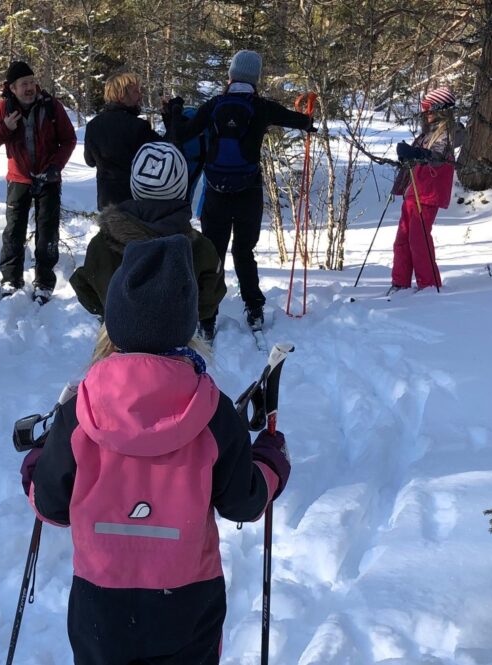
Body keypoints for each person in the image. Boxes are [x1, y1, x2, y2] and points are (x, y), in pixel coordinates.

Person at [20, 234, 292, 665]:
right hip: (186, 603)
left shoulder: (81, 411)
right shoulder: (210, 411)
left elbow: (50, 506)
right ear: (184, 324)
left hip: (100, 605)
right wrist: (272, 459)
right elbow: (246, 501)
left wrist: (35, 462)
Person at [165, 50, 315, 334]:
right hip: (249, 190)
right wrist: (308, 122)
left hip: (216, 192)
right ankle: (254, 309)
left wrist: (174, 111)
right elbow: (295, 120)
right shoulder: (260, 106)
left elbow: (181, 133)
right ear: (255, 78)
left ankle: (206, 318)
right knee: (244, 250)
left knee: (214, 252)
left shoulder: (215, 105)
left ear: (231, 75)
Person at [69, 142, 226, 340]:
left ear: (134, 185)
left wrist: (112, 314)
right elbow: (210, 299)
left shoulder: (102, 243)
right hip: (175, 345)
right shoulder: (200, 248)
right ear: (181, 188)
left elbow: (87, 288)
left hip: (117, 344)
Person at [0, 61, 77, 304]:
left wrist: (56, 166)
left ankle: (44, 283)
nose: (30, 88)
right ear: (12, 88)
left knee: (47, 233)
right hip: (19, 179)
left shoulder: (51, 106)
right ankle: (11, 279)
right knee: (14, 232)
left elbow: (69, 139)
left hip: (49, 179)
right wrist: (5, 128)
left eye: (32, 82)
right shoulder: (3, 109)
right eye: (24, 84)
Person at [390, 86, 466, 293]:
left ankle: (429, 286)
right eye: (425, 111)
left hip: (427, 193)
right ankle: (400, 283)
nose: (427, 114)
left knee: (419, 240)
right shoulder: (428, 133)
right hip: (414, 191)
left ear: (442, 110)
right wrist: (408, 155)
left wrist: (415, 153)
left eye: (430, 110)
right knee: (403, 239)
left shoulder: (448, 134)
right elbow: (420, 157)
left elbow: (436, 157)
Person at [84, 72, 162, 210]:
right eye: (135, 91)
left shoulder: (93, 125)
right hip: (136, 204)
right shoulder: (138, 127)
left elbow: (90, 161)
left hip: (106, 205)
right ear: (121, 95)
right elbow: (166, 154)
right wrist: (171, 118)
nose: (140, 96)